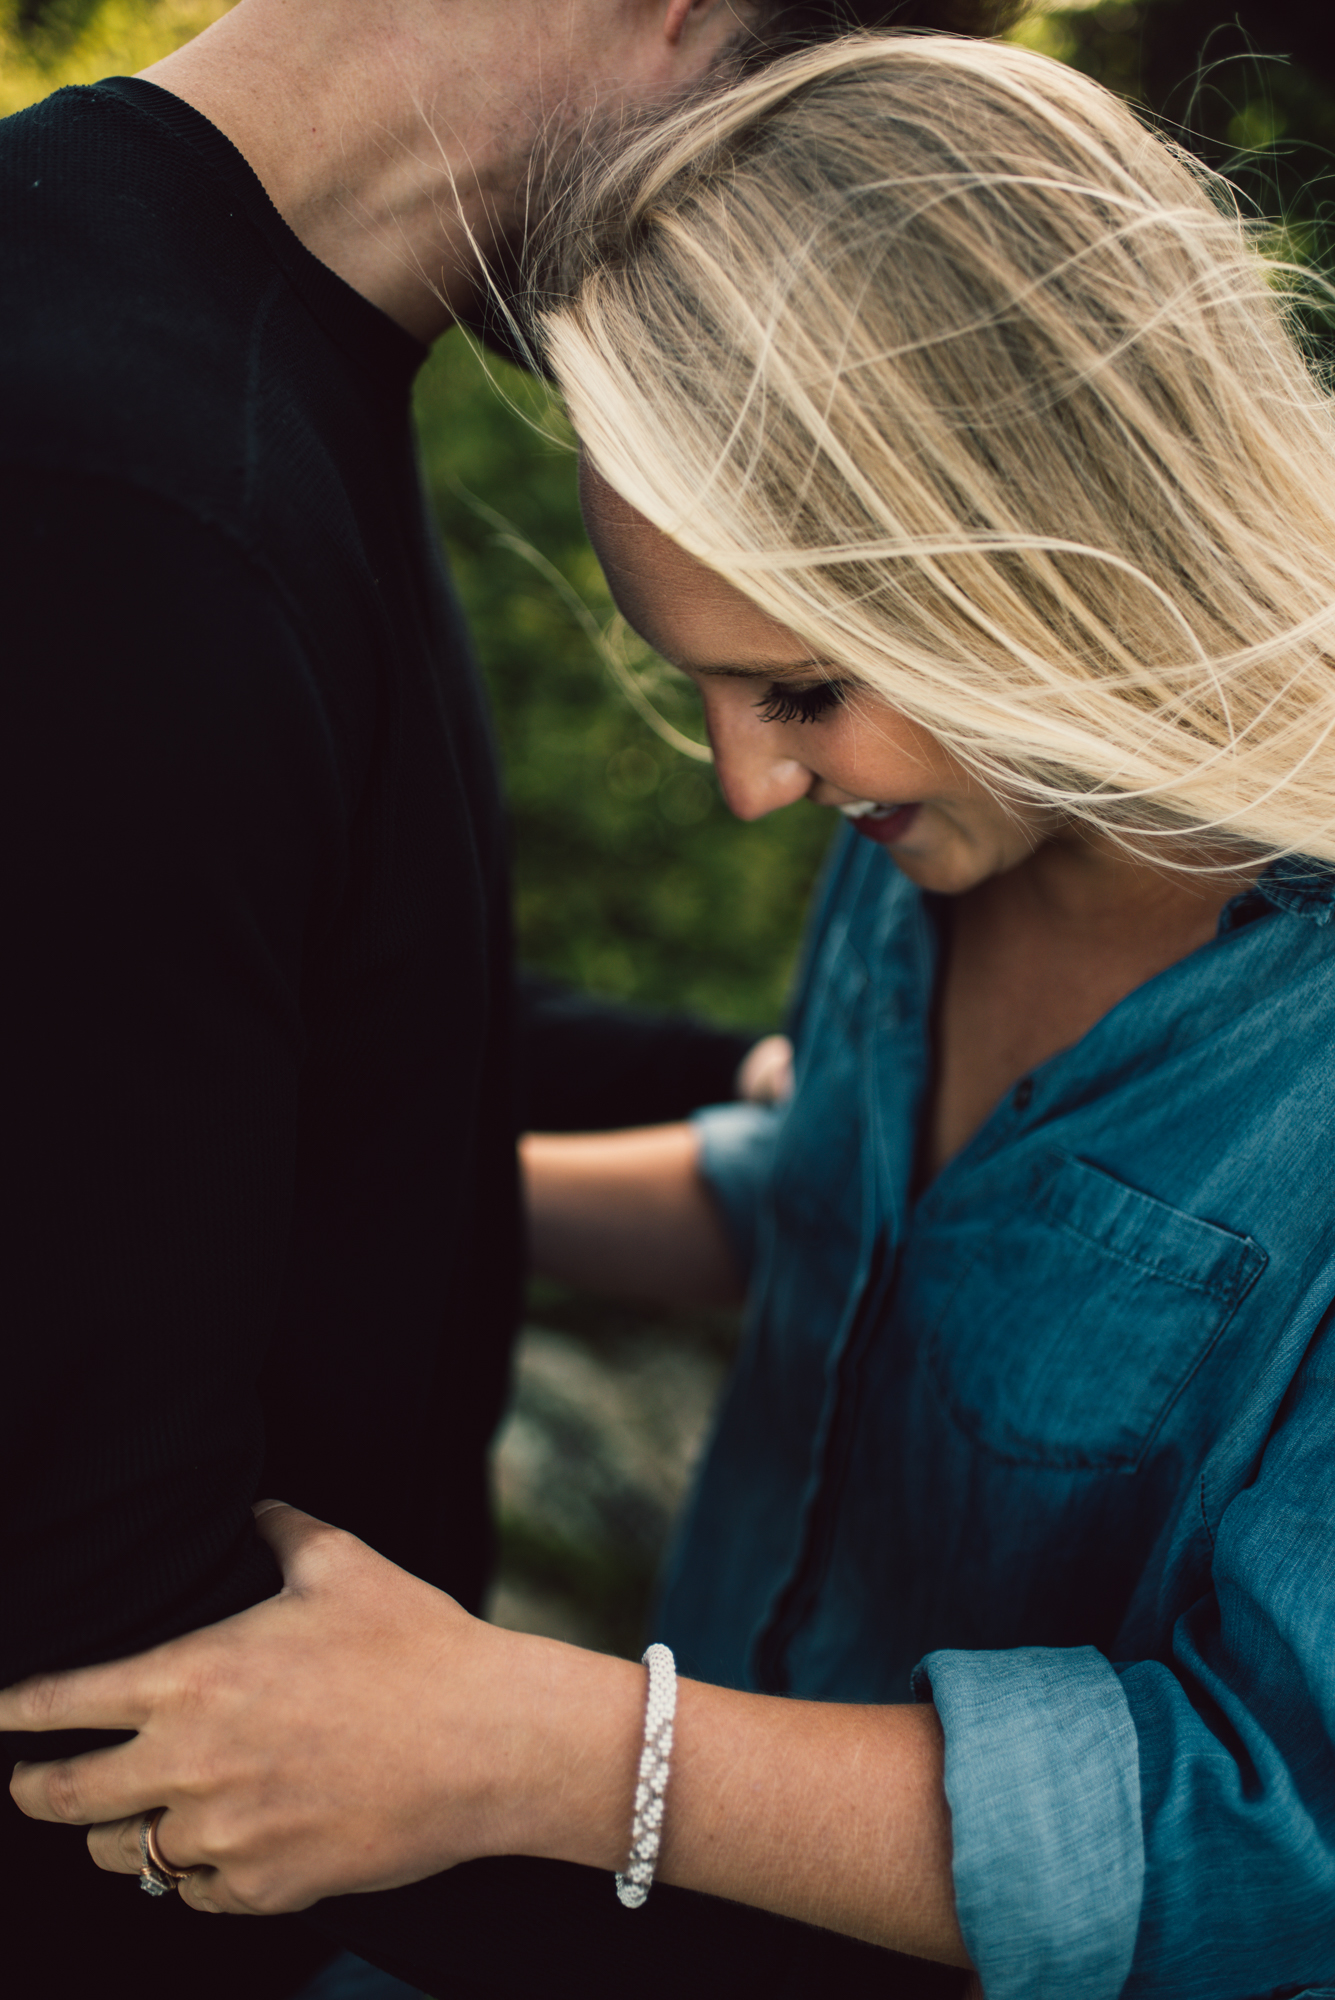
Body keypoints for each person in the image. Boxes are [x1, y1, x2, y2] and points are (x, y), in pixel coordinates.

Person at [12, 25, 1335, 2000]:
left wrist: (549, 1750)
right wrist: (325, 1180)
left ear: (1044, 563)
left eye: (798, 686)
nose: (746, 783)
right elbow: (834, 1208)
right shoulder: (951, 827)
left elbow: (1279, 1833)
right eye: (707, 682)